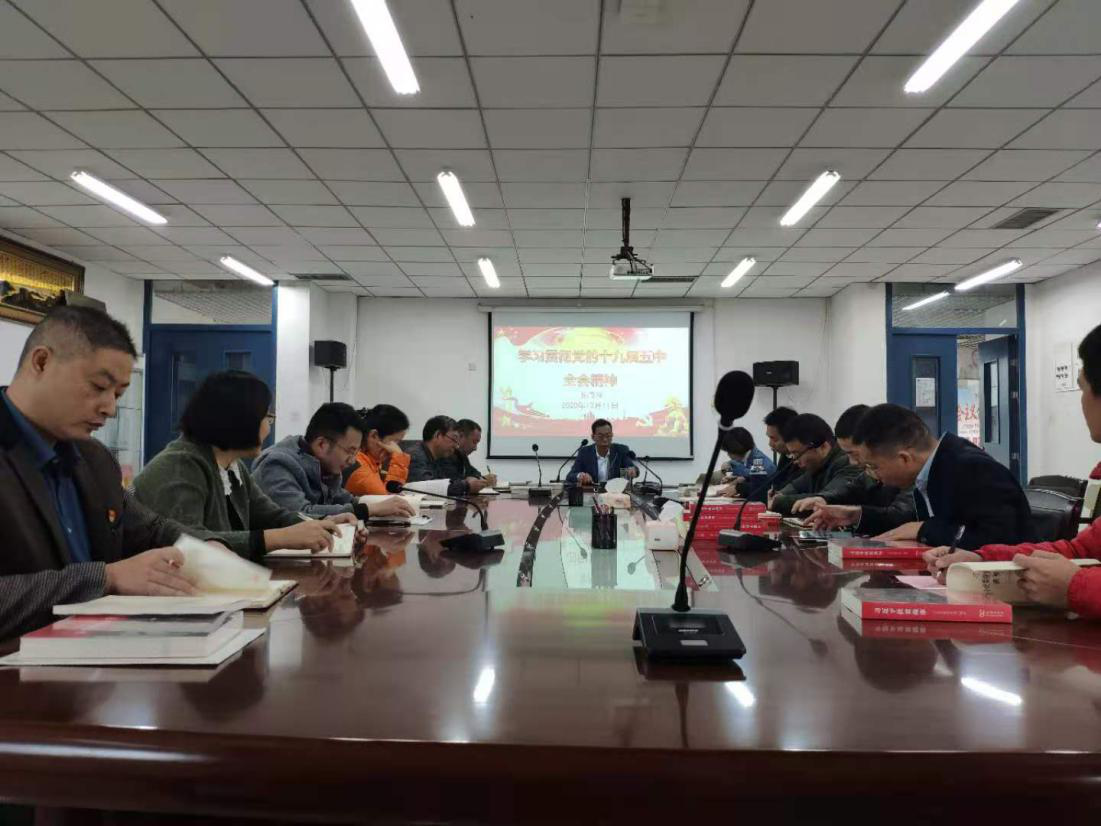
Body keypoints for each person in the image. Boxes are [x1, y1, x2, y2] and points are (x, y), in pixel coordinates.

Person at [0, 305, 202, 638]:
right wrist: (107, 579)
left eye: (118, 394)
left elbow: (151, 530)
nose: (109, 408)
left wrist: (213, 552)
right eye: (98, 387)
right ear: (41, 362)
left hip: (96, 653)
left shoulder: (93, 458)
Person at [926, 323, 1101, 615]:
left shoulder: (969, 467)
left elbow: (1077, 569)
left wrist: (1076, 586)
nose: (1082, 401)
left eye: (1082, 387)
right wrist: (981, 560)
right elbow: (1079, 552)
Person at [133, 370, 346, 560]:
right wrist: (277, 538)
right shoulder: (180, 465)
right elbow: (191, 544)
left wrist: (323, 522)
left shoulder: (232, 465)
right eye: (267, 418)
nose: (269, 428)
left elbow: (272, 516)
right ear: (241, 419)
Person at [851, 402, 1034, 550]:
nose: (873, 475)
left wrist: (924, 529)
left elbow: (1002, 541)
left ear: (904, 458)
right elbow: (906, 524)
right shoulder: (931, 471)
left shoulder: (972, 469)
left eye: (873, 466)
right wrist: (857, 515)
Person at [252, 402, 414, 520]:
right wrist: (368, 510)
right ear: (322, 444)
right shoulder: (277, 463)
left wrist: (385, 505)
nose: (352, 461)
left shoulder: (325, 464)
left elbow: (346, 500)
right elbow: (300, 515)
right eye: (350, 451)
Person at [798, 404, 918, 535]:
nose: (852, 462)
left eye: (854, 454)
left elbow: (901, 515)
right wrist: (824, 499)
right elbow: (852, 490)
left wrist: (855, 515)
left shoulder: (913, 473)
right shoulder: (870, 472)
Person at [768, 413, 864, 516]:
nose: (795, 461)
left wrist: (779, 502)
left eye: (797, 454)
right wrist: (779, 494)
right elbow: (795, 486)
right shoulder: (816, 466)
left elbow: (829, 498)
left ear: (823, 447)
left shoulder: (848, 463)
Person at [407, 415, 488, 496]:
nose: (456, 446)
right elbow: (429, 488)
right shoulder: (415, 456)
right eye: (454, 439)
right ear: (438, 435)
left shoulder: (439, 456)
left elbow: (449, 481)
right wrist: (467, 486)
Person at [566, 419, 638, 486]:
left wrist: (633, 470)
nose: (605, 439)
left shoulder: (621, 450)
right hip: (592, 492)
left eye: (608, 435)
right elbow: (570, 476)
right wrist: (580, 476)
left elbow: (633, 469)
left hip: (615, 493)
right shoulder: (584, 452)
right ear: (593, 437)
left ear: (612, 435)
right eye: (600, 436)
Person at [717, 427, 775, 501]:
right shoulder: (752, 456)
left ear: (736, 449)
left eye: (728, 451)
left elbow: (758, 488)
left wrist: (739, 488)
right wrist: (742, 478)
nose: (728, 455)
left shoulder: (757, 461)